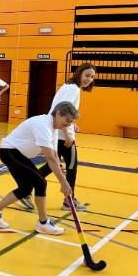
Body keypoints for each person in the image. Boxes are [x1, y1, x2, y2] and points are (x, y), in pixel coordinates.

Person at [0, 101, 79, 235]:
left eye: (71, 122)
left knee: (25, 188)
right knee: (40, 182)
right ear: (58, 113)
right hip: (10, 151)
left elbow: (55, 156)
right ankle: (43, 223)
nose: (68, 125)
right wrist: (63, 182)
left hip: (17, 154)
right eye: (67, 120)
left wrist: (62, 177)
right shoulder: (43, 125)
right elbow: (50, 158)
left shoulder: (54, 128)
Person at [35, 62, 97, 211]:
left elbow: (63, 110)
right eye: (87, 75)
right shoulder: (73, 89)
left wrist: (72, 123)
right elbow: (62, 111)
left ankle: (26, 186)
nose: (89, 79)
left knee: (53, 165)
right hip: (62, 135)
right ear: (79, 73)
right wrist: (68, 134)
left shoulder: (68, 86)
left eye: (92, 77)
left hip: (57, 131)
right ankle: (69, 200)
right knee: (71, 166)